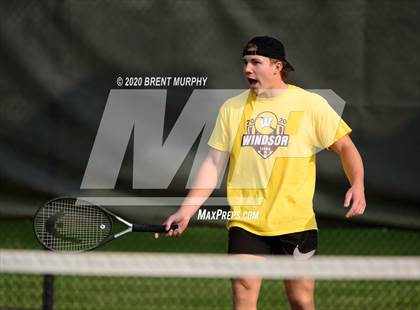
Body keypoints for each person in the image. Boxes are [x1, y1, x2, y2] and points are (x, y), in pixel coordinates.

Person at [156, 36, 366, 310]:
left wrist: (358, 184)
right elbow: (213, 164)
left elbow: (345, 147)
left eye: (256, 62)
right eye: (245, 62)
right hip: (246, 222)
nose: (247, 69)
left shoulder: (310, 104)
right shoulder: (232, 108)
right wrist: (186, 210)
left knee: (302, 301)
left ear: (277, 66)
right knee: (244, 297)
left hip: (296, 224)